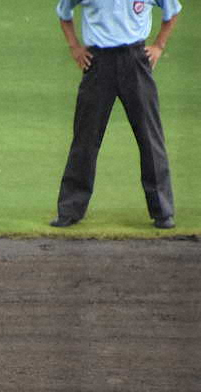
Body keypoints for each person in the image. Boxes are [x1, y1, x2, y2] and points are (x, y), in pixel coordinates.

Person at [51, 0, 182, 230]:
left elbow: (172, 11)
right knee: (85, 138)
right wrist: (74, 47)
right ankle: (70, 209)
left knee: (150, 139)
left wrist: (159, 45)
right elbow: (64, 12)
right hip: (98, 62)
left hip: (136, 60)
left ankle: (162, 211)